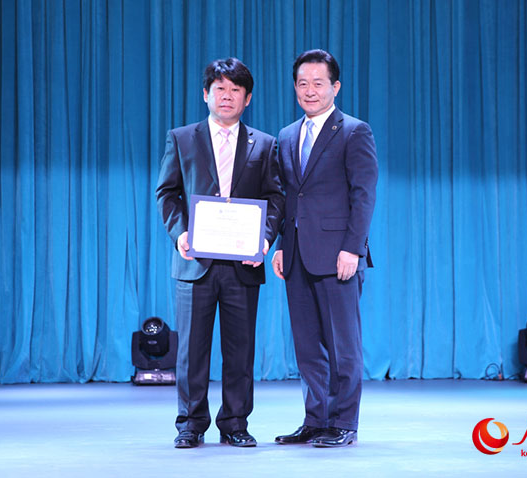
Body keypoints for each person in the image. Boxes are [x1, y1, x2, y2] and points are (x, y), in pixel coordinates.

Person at [155, 57, 284, 449]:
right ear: (206, 94)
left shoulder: (265, 144)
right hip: (195, 263)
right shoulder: (182, 138)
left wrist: (264, 240)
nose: (227, 96)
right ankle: (190, 424)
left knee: (240, 351)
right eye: (220, 89)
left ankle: (235, 423)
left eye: (235, 90)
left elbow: (276, 197)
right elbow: (167, 193)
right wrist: (180, 234)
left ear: (247, 98)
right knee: (191, 351)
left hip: (244, 263)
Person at [272, 49, 378, 447]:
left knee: (342, 346)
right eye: (302, 83)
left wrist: (353, 249)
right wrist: (281, 245)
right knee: (307, 346)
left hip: (338, 257)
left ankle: (344, 423)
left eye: (318, 83)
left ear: (336, 87)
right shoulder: (286, 135)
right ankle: (316, 419)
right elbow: (287, 196)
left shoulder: (354, 131)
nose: (310, 90)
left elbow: (363, 196)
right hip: (296, 255)